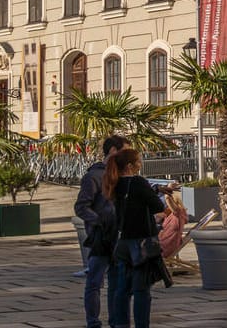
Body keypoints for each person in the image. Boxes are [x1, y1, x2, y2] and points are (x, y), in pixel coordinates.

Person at [106, 148, 169, 328]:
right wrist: (155, 192)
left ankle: (121, 324)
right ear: (130, 166)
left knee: (122, 289)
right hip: (140, 241)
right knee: (141, 289)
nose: (140, 164)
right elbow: (157, 205)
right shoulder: (138, 182)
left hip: (122, 241)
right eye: (138, 161)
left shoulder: (114, 183)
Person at [75, 134, 130, 328]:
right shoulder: (94, 176)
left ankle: (115, 321)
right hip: (101, 237)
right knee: (95, 282)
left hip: (118, 237)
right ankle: (93, 322)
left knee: (116, 282)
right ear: (113, 151)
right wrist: (99, 221)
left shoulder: (122, 175)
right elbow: (81, 207)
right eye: (125, 151)